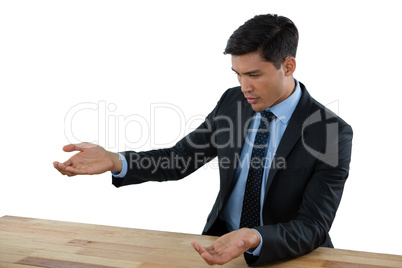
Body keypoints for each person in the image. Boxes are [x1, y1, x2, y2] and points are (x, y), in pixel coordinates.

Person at [54, 14, 353, 266]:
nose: (244, 87)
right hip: (222, 245)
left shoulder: (328, 131)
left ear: (288, 66)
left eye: (254, 74)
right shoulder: (234, 103)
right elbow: (181, 157)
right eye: (237, 74)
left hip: (289, 256)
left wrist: (255, 236)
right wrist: (116, 160)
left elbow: (313, 225)